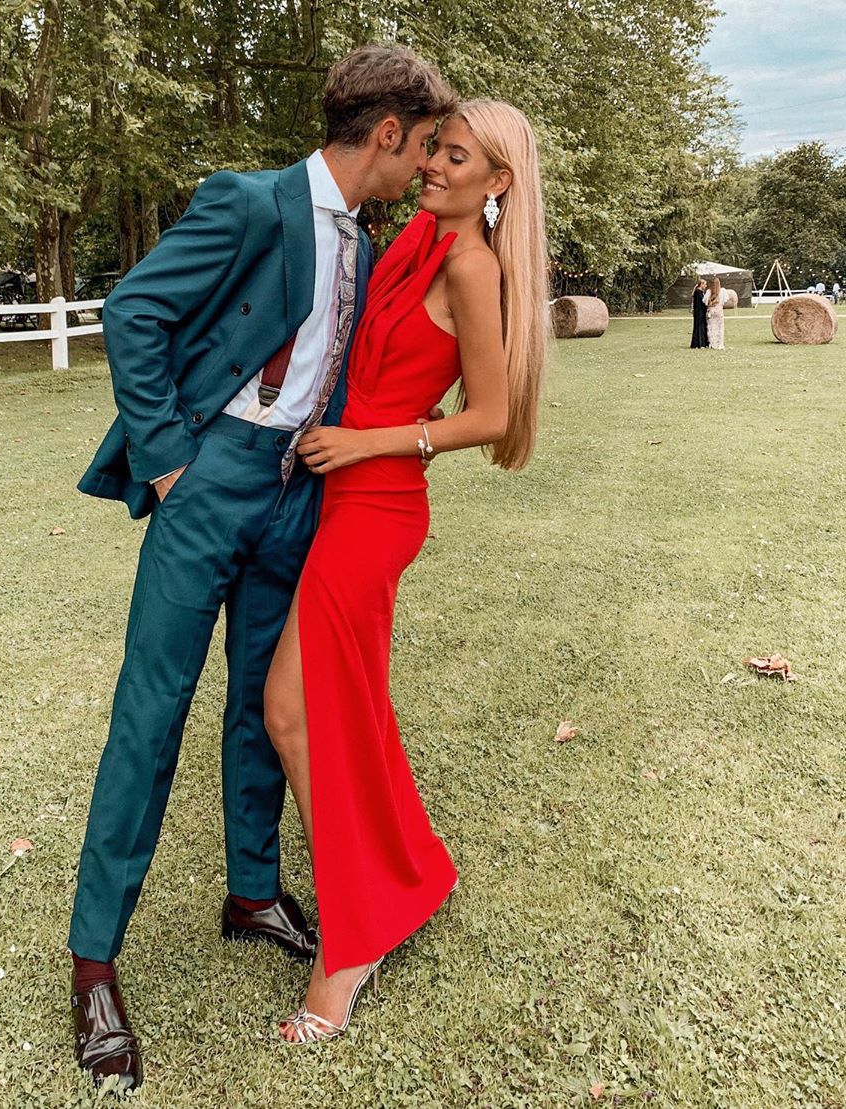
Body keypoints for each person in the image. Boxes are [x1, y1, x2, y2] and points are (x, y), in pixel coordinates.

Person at [66, 45, 458, 1090]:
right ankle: (95, 961)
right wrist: (168, 462)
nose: (423, 166)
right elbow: (133, 311)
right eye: (422, 147)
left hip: (298, 494)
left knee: (259, 701)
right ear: (385, 135)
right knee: (151, 712)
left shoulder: (369, 244)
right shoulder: (247, 203)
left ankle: (253, 891)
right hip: (209, 482)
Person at [263, 100, 548, 1042]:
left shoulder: (469, 266)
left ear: (497, 182)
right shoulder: (415, 234)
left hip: (379, 505)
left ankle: (355, 937)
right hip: (341, 490)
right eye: (433, 147)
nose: (431, 163)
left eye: (454, 155)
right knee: (327, 710)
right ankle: (402, 875)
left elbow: (493, 417)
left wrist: (368, 442)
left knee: (299, 710)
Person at [704, 275, 725, 349]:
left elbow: (705, 302)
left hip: (711, 310)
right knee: (720, 327)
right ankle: (720, 344)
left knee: (711, 327)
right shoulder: (722, 291)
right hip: (719, 310)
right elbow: (723, 301)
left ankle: (712, 343)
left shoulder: (709, 292)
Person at [690, 277, 709, 348]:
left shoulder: (701, 292)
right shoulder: (698, 292)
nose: (706, 286)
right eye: (705, 284)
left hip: (701, 312)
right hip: (699, 313)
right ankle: (698, 343)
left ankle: (703, 342)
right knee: (699, 327)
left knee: (702, 327)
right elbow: (700, 303)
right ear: (701, 284)